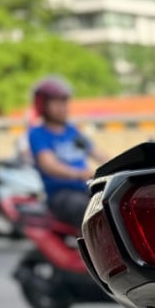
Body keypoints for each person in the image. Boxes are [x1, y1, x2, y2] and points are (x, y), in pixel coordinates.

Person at [27, 76, 105, 229]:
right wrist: (81, 174)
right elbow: (49, 165)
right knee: (89, 210)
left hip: (85, 187)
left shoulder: (72, 131)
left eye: (64, 102)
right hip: (60, 195)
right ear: (43, 105)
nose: (62, 107)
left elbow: (97, 153)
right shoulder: (38, 133)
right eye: (56, 103)